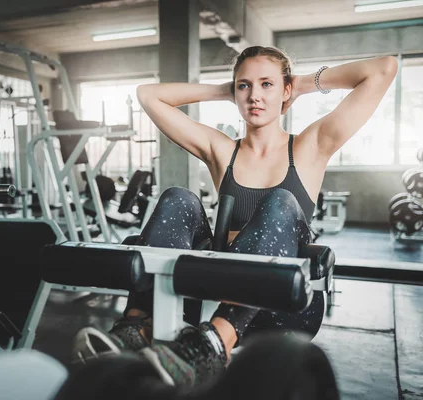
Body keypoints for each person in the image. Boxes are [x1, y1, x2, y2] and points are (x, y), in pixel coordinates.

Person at [73, 46, 398, 386]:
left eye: (267, 85)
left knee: (281, 201)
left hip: (282, 300)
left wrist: (301, 83)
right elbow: (149, 95)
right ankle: (137, 325)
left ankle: (214, 342)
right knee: (177, 197)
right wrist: (224, 91)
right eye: (244, 86)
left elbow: (383, 69)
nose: (255, 96)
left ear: (285, 90)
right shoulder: (222, 150)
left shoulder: (309, 146)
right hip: (212, 289)